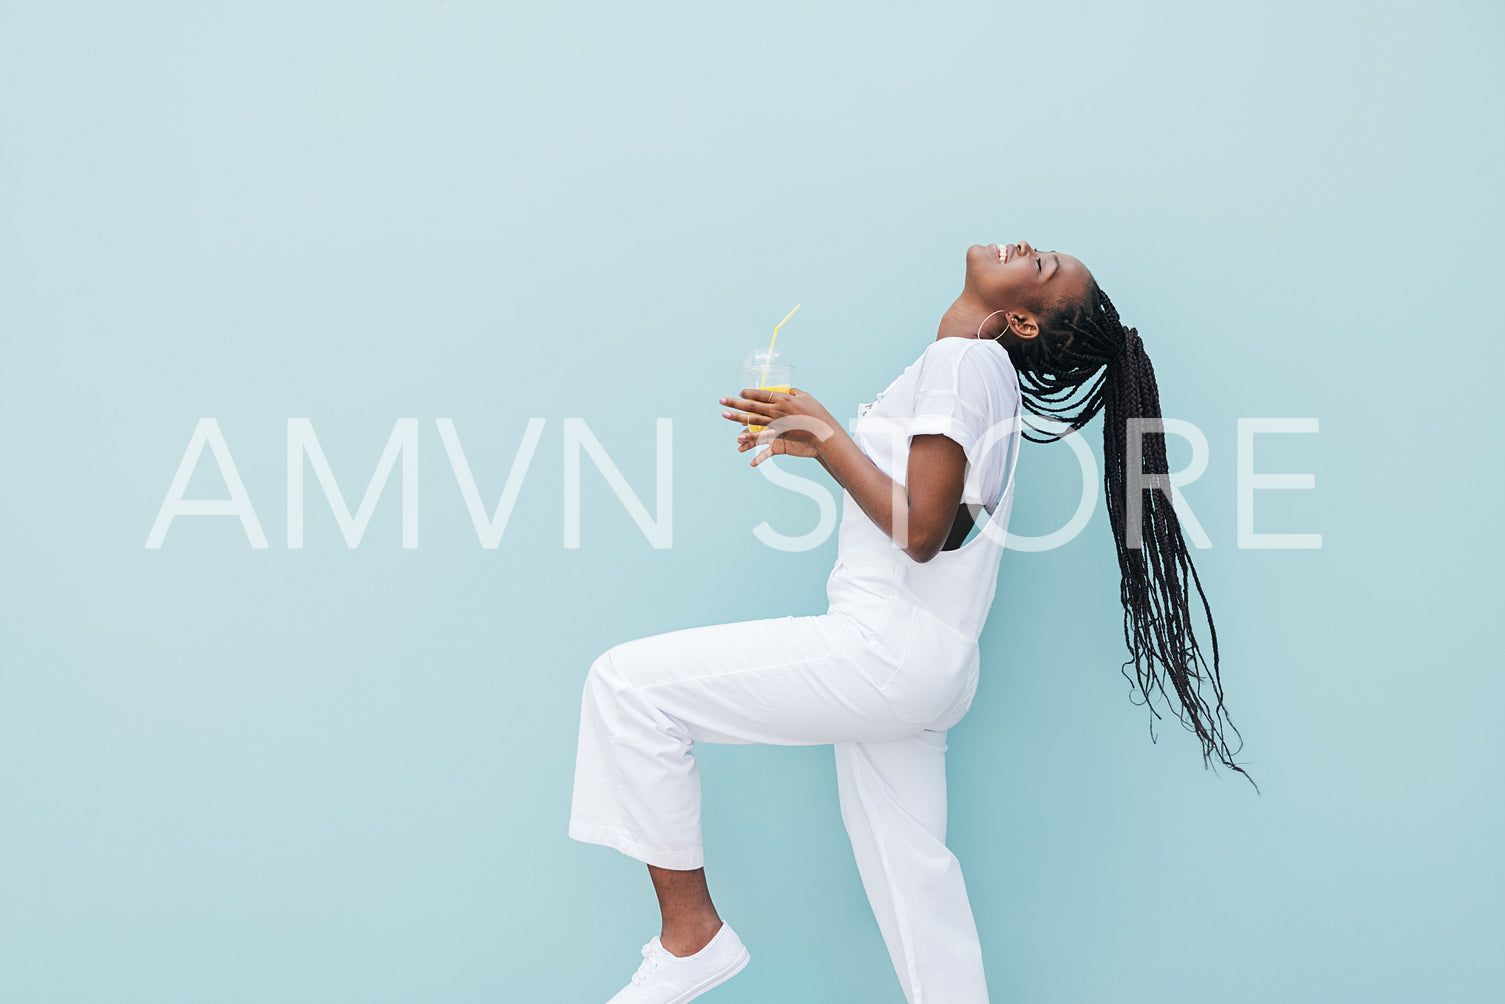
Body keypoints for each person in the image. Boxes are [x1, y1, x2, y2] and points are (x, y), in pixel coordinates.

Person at [568, 240, 1254, 1004]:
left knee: (626, 687)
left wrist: (829, 439)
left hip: (882, 650)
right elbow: (946, 526)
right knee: (917, 893)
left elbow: (923, 532)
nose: (1032, 250)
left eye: (1045, 270)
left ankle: (691, 939)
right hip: (929, 664)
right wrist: (829, 447)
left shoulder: (963, 365)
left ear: (1021, 322)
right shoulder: (979, 372)